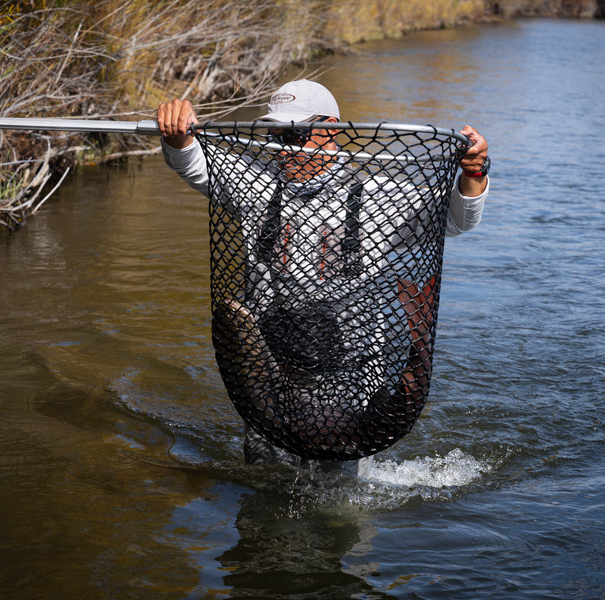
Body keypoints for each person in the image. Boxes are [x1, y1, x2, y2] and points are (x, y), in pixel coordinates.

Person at [157, 80, 489, 476]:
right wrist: (179, 135)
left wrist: (474, 171)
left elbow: (457, 219)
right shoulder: (256, 185)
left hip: (350, 378)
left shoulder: (380, 192)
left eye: (294, 133)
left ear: (330, 128)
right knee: (267, 485)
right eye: (274, 134)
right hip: (269, 373)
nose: (282, 146)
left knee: (340, 506)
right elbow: (191, 161)